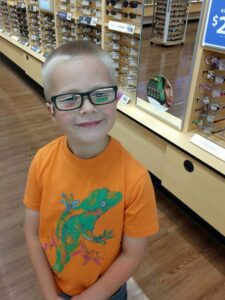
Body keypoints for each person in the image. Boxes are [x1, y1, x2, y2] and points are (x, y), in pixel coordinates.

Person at [23, 40, 159, 300]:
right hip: (56, 287)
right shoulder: (42, 161)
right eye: (70, 98)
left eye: (100, 93)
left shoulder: (136, 179)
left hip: (108, 293)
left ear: (116, 99)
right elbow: (32, 232)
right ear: (51, 111)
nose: (88, 107)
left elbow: (132, 254)